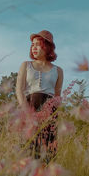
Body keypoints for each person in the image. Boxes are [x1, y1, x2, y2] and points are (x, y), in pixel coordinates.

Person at [16, 30, 64, 163]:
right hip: (30, 106)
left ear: (47, 47)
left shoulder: (58, 70)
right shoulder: (26, 65)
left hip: (50, 111)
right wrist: (27, 112)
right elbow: (19, 90)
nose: (34, 47)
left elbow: (57, 97)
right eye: (32, 44)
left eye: (38, 44)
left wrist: (53, 117)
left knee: (48, 151)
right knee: (29, 149)